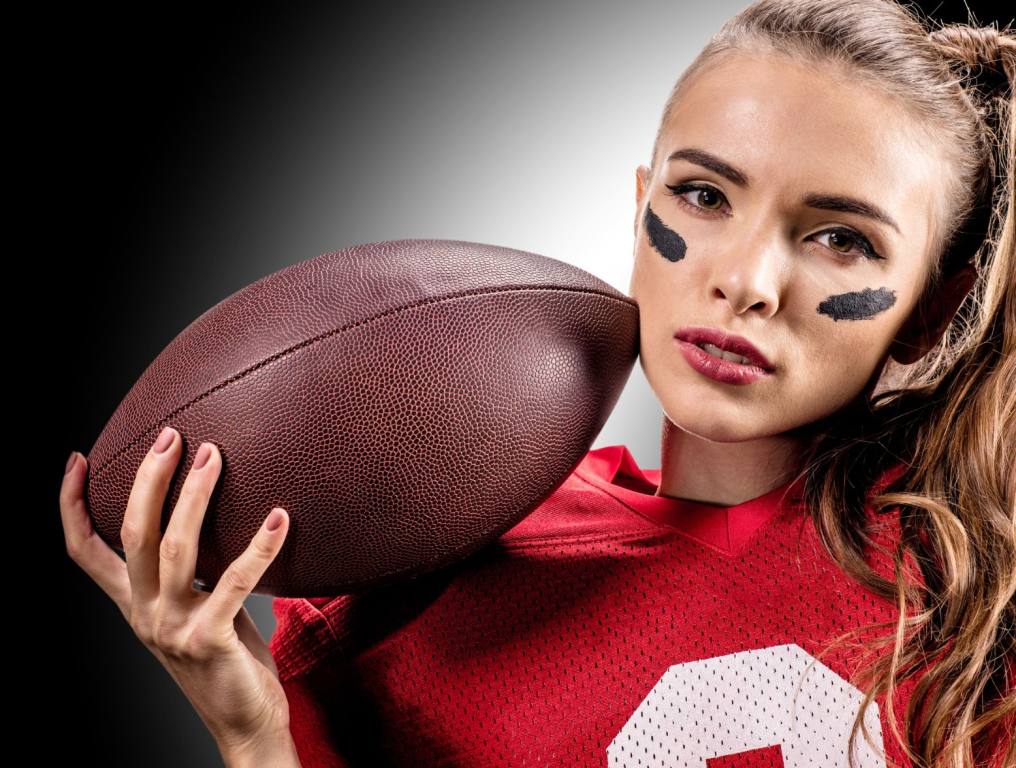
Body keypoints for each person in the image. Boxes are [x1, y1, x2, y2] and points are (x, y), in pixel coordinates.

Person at [60, 1, 1014, 766]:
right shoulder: (424, 584)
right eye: (704, 195)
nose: (744, 282)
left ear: (933, 306)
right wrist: (251, 734)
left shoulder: (972, 580)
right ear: (640, 204)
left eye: (840, 239)